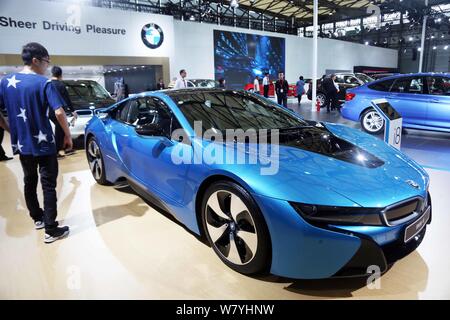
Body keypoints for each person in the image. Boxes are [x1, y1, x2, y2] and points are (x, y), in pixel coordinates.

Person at [0, 42, 71, 243]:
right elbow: (58, 112)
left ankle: (38, 218)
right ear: (35, 60)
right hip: (44, 144)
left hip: (22, 144)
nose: (47, 66)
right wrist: (66, 134)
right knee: (48, 184)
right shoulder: (44, 83)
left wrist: (11, 129)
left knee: (29, 180)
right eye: (46, 62)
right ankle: (51, 229)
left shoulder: (5, 82)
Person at [49, 66, 76, 158]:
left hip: (50, 111)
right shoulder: (60, 85)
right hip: (59, 110)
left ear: (52, 74)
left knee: (62, 129)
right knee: (60, 130)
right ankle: (57, 151)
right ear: (60, 75)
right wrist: (73, 111)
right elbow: (67, 99)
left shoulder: (48, 84)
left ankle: (65, 148)